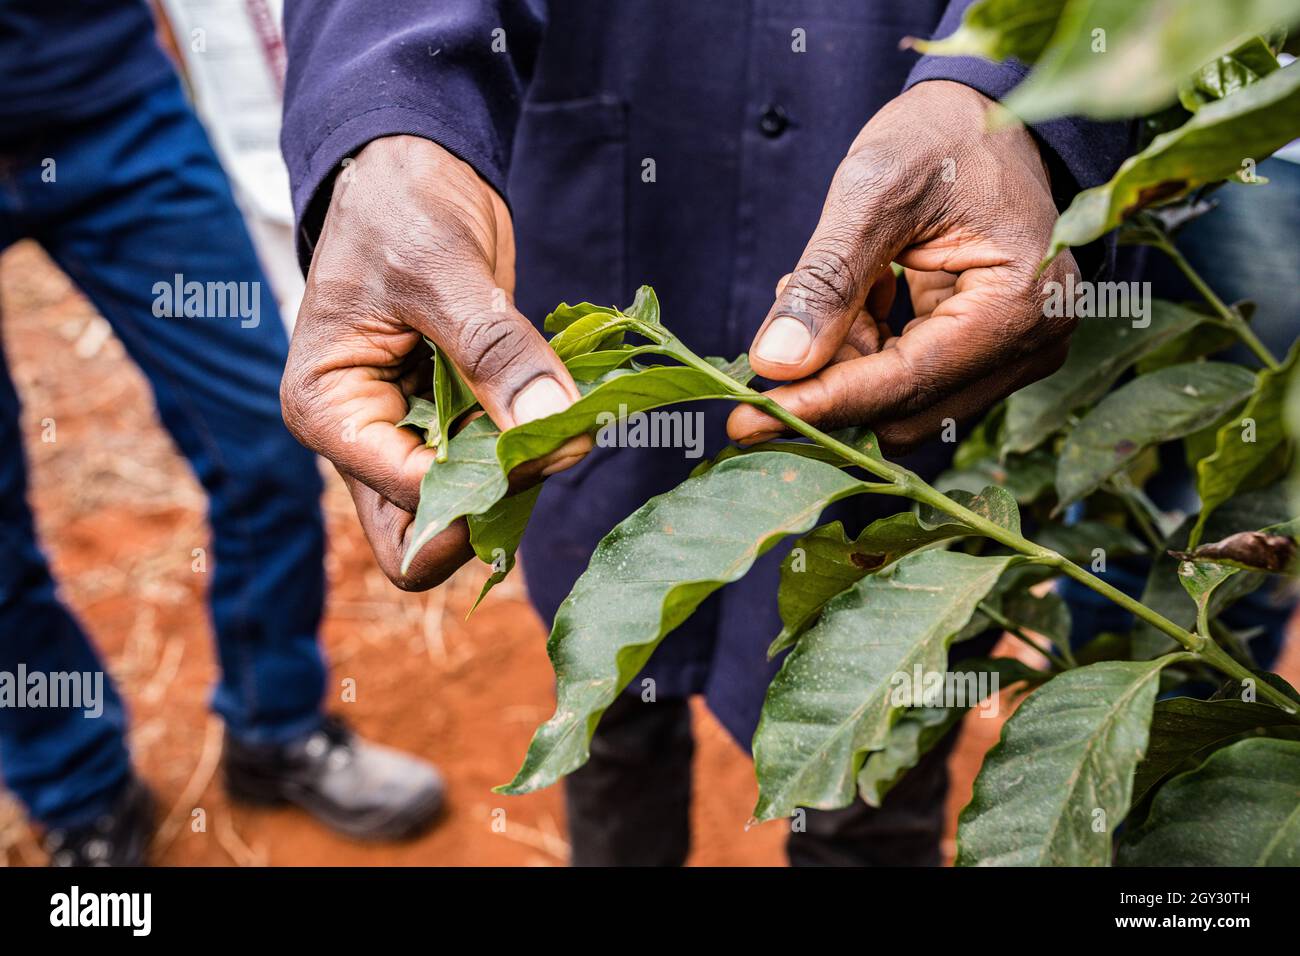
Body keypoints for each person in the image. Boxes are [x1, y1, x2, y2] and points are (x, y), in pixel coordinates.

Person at [278, 0, 1129, 865]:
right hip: (608, 235)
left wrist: (1013, 91)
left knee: (866, 748)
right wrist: (388, 115)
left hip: (923, 278)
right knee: (611, 701)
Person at [0, 0, 443, 866]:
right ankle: (78, 791)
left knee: (268, 443)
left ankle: (275, 725)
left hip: (112, 111)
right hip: (110, 100)